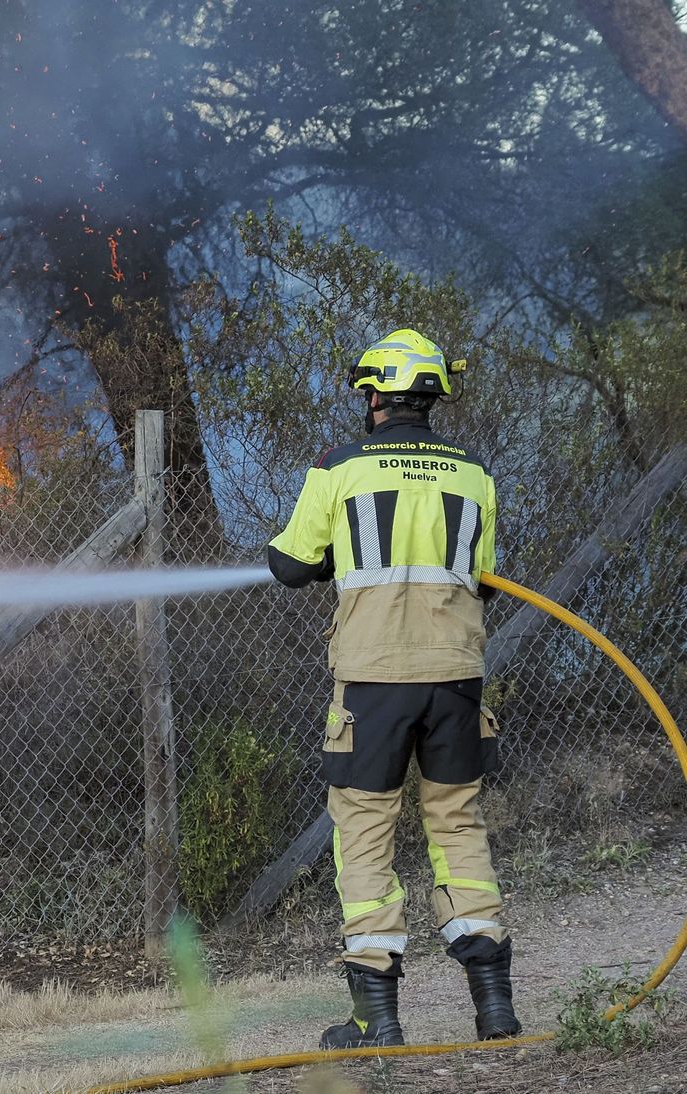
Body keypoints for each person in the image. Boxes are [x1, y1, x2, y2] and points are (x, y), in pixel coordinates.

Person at [266, 329, 521, 1049]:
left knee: (365, 835)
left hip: (373, 684)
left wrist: (323, 563)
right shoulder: (473, 471)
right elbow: (485, 578)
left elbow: (290, 565)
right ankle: (494, 1011)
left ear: (376, 395)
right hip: (456, 680)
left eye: (367, 391)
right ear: (433, 396)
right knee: (457, 828)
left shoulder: (338, 466)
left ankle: (376, 1018)